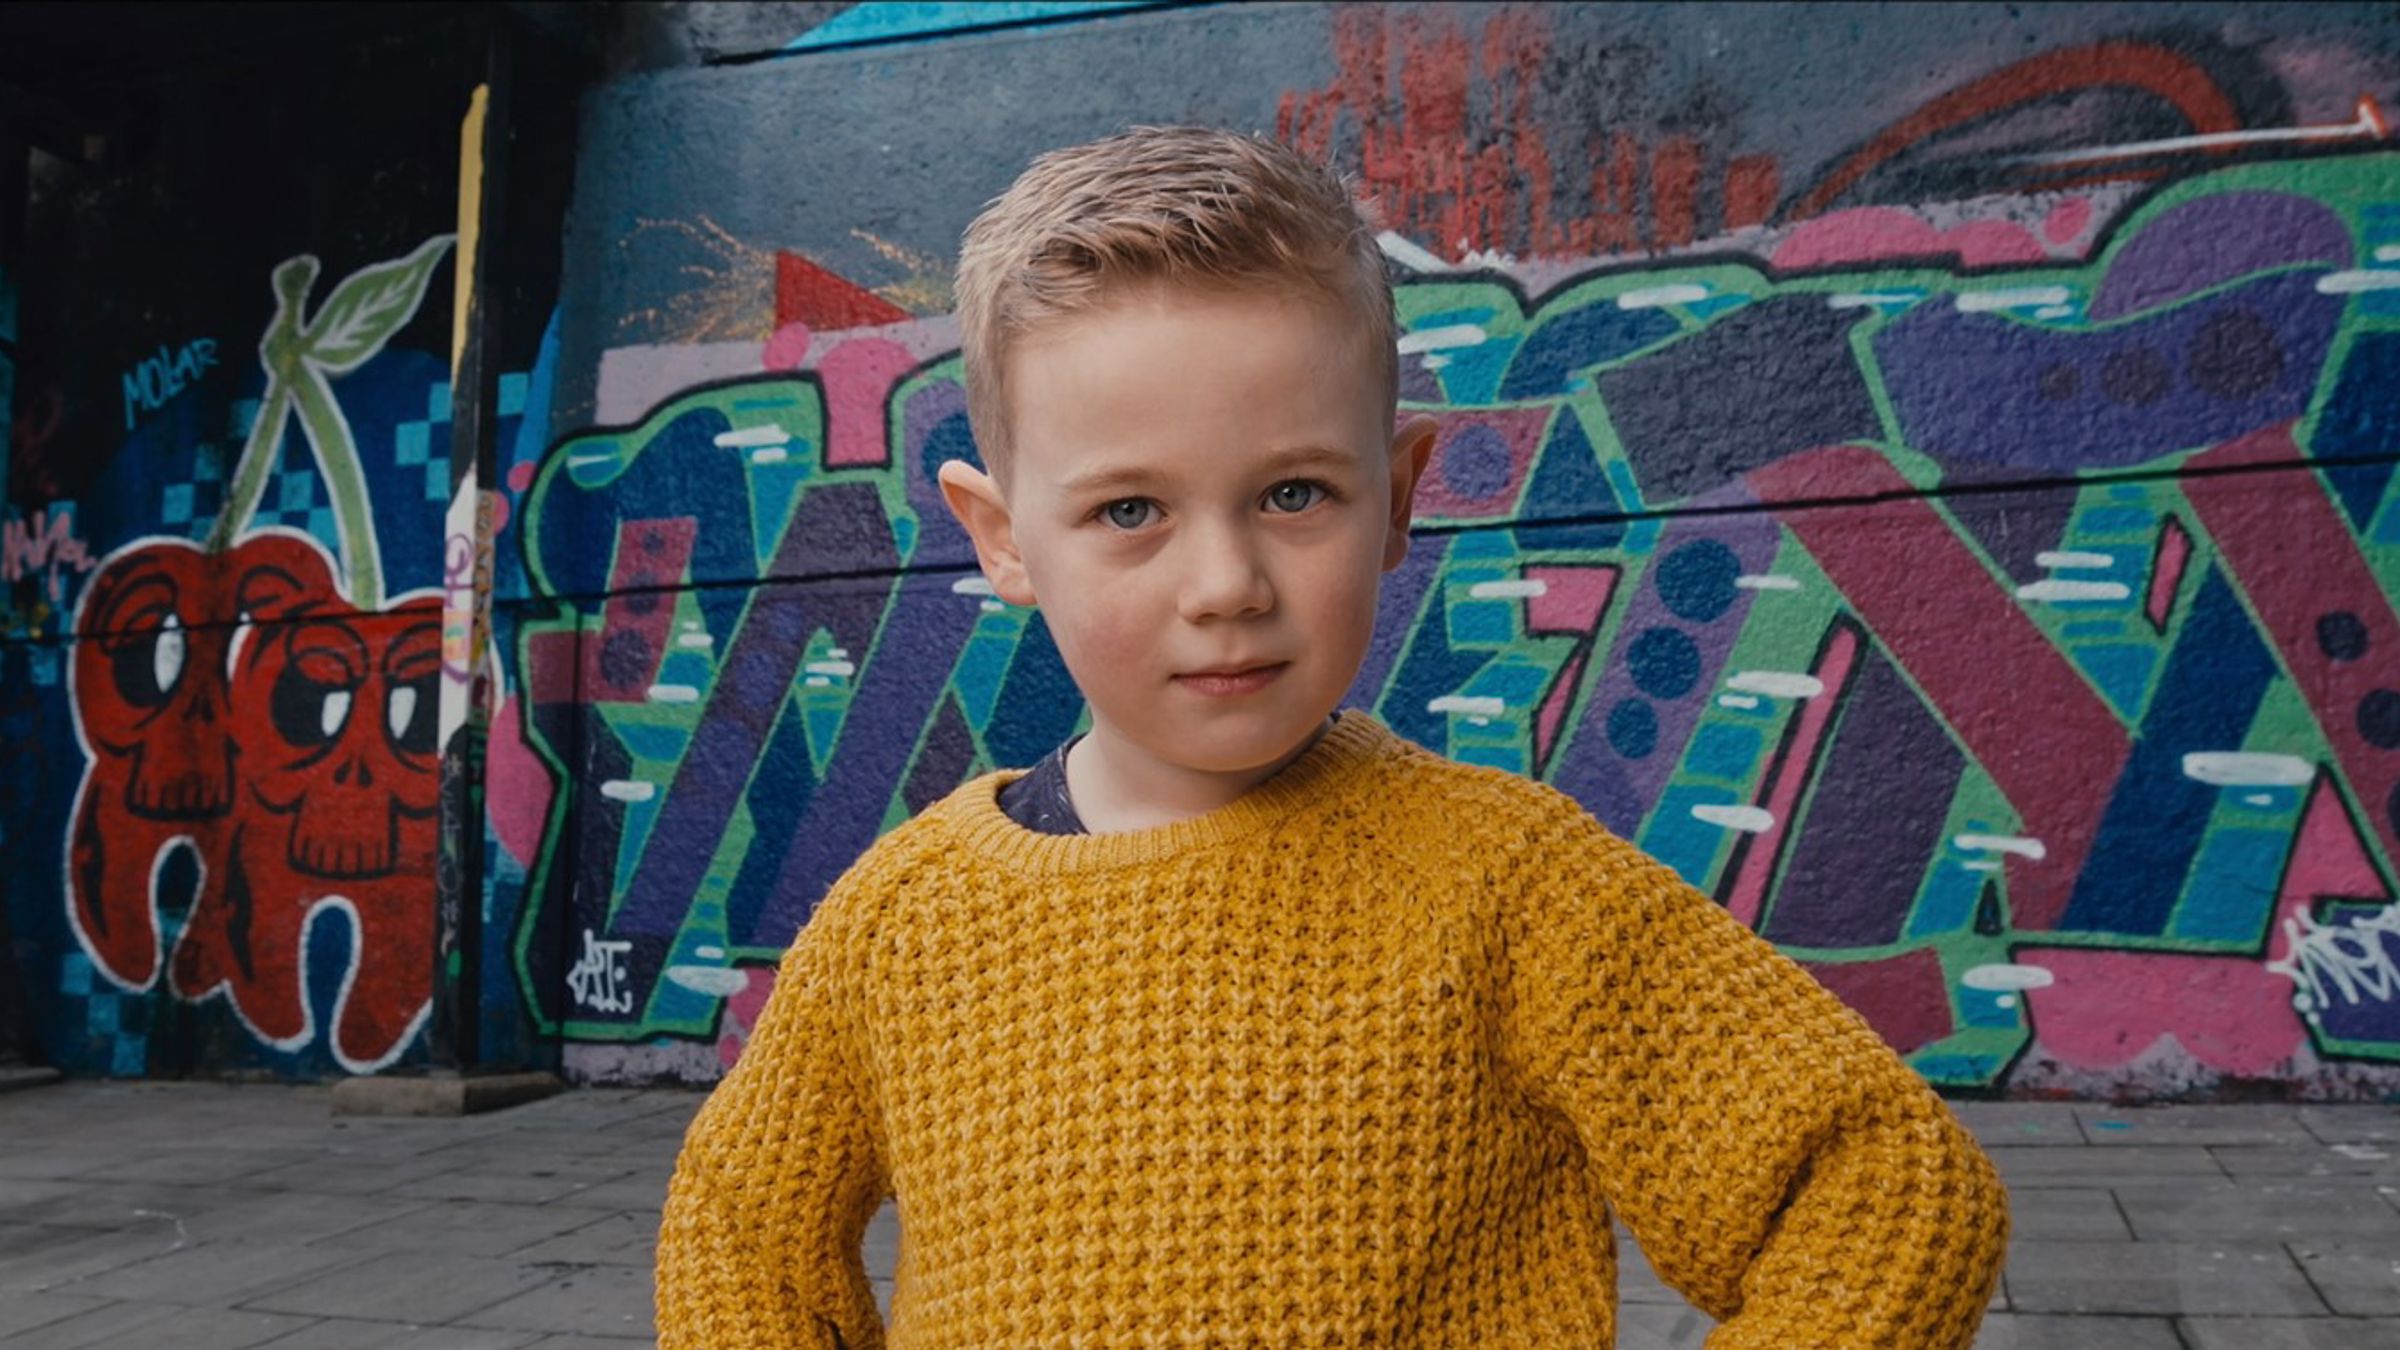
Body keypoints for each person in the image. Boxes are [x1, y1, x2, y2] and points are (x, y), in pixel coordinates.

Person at [655, 124, 2009, 1349]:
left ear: (1402, 494)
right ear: (1002, 536)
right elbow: (738, 1226)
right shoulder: (902, 919)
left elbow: (1887, 1184)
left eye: (1293, 491)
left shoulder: (1509, 883)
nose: (1226, 583)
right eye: (1130, 510)